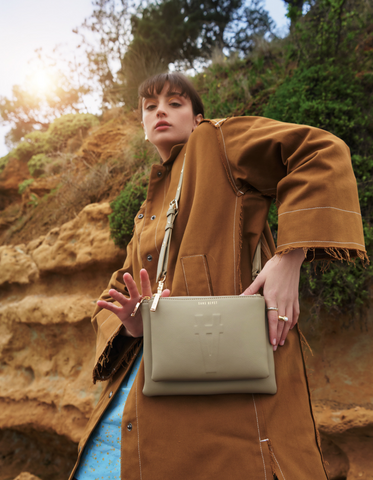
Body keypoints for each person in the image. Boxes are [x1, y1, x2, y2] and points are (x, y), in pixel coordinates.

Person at [70, 72, 366, 480]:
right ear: (142, 126)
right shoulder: (145, 210)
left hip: (227, 389)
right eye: (150, 106)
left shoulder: (217, 140)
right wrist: (132, 325)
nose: (161, 111)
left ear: (197, 119)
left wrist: (289, 257)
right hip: (133, 399)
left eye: (176, 103)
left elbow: (321, 152)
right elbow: (117, 289)